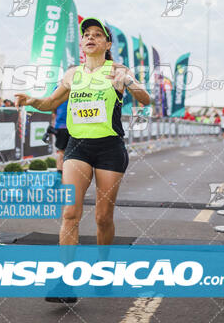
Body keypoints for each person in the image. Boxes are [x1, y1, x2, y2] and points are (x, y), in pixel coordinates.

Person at [16, 18, 150, 303]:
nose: (90, 38)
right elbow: (51, 103)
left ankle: (104, 269)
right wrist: (30, 100)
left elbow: (146, 98)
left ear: (107, 44)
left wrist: (129, 83)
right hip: (77, 147)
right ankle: (65, 282)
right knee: (70, 213)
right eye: (86, 35)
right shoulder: (72, 74)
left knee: (103, 218)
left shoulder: (118, 70)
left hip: (109, 148)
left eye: (97, 35)